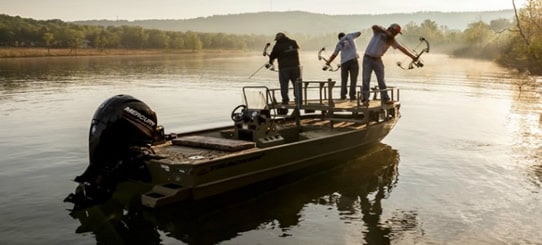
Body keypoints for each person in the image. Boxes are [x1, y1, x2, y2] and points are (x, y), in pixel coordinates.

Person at [362, 23, 418, 105]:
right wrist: (385, 32)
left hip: (378, 60)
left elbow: (402, 48)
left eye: (396, 34)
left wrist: (413, 57)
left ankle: (385, 99)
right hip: (367, 58)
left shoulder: (391, 40)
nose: (395, 35)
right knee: (366, 79)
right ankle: (365, 100)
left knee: (381, 80)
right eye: (395, 32)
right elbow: (374, 26)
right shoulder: (379, 32)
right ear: (391, 29)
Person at [326, 32, 361, 101]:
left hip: (344, 63)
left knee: (344, 81)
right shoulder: (350, 36)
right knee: (353, 80)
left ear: (339, 38)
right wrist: (350, 37)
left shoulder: (339, 43)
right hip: (353, 61)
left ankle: (343, 96)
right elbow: (359, 33)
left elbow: (334, 54)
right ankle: (352, 96)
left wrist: (328, 62)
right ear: (344, 35)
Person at [268, 32, 302, 105]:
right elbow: (296, 49)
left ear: (278, 39)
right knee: (297, 84)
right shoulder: (293, 42)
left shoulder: (277, 45)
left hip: (284, 68)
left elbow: (272, 56)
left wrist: (270, 61)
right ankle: (298, 99)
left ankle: (285, 100)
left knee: (284, 85)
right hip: (295, 67)